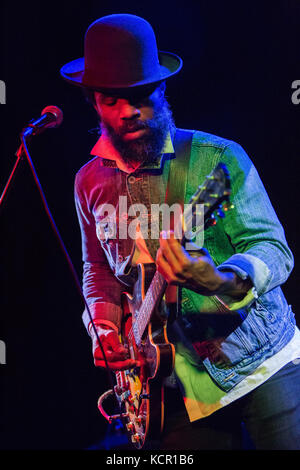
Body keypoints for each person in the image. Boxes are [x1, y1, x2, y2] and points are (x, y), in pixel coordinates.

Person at [60, 14, 300, 450]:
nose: (130, 111)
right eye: (113, 99)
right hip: (171, 386)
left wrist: (221, 279)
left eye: (141, 95)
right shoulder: (87, 183)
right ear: (93, 100)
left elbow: (274, 249)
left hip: (262, 363)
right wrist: (104, 327)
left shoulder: (218, 159)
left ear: (163, 88)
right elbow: (97, 270)